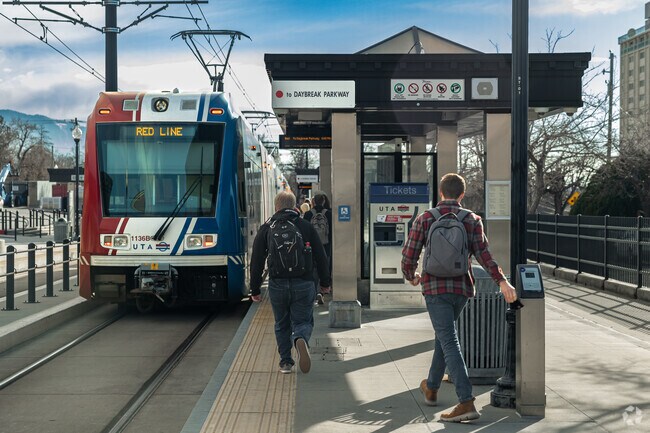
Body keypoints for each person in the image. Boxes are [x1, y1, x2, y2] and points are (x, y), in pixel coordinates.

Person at [401, 173, 518, 423]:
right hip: (462, 289)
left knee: (448, 338)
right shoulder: (472, 220)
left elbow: (409, 253)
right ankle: (431, 386)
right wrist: (502, 280)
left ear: (441, 193)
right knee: (445, 335)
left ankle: (466, 402)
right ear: (462, 195)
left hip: (434, 288)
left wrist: (410, 275)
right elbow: (484, 255)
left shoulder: (425, 218)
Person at [249, 191, 331, 374]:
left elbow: (256, 261)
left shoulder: (267, 228)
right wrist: (325, 283)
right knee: (303, 320)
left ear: (276, 207)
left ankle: (286, 362)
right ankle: (300, 338)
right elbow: (321, 256)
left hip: (277, 284)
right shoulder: (305, 226)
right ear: (295, 206)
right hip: (304, 282)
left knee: (281, 323)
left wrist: (255, 289)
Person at [304, 192, 332, 304]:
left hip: (311, 247)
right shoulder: (329, 214)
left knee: (313, 268)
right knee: (325, 266)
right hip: (326, 246)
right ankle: (323, 290)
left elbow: (305, 232)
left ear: (313, 201)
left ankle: (315, 292)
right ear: (324, 201)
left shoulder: (307, 214)